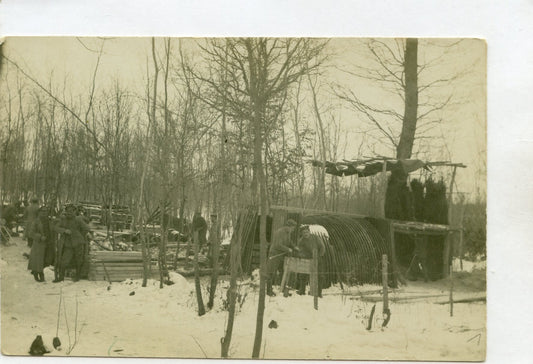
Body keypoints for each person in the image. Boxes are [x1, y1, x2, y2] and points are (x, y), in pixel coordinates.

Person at [53, 204, 92, 283]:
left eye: (71, 211)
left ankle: (77, 276)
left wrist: (80, 234)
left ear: (75, 212)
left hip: (78, 243)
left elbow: (87, 228)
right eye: (68, 211)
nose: (69, 213)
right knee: (64, 261)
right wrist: (64, 230)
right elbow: (55, 228)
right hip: (68, 244)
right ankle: (61, 277)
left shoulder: (78, 220)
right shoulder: (63, 219)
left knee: (79, 260)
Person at [266, 219, 297, 296]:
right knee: (271, 272)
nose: (293, 230)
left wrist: (294, 247)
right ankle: (269, 291)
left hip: (281, 255)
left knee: (283, 272)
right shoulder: (280, 232)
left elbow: (289, 242)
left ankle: (282, 289)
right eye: (293, 228)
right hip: (274, 254)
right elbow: (278, 245)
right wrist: (288, 249)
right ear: (288, 226)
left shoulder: (288, 233)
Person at [295, 225, 326, 296]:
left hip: (317, 259)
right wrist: (302, 255)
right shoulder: (301, 240)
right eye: (303, 233)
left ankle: (318, 292)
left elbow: (322, 247)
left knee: (319, 275)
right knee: (303, 274)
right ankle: (302, 291)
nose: (305, 234)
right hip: (307, 260)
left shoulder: (316, 238)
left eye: (306, 232)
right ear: (302, 234)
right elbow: (299, 250)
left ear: (309, 232)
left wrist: (319, 256)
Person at [27, 206, 52, 282]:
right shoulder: (36, 221)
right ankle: (39, 273)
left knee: (47, 260)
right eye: (42, 211)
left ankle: (37, 270)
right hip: (39, 244)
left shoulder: (49, 221)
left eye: (46, 211)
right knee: (39, 260)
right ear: (39, 212)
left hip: (48, 243)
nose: (44, 213)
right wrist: (40, 237)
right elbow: (31, 233)